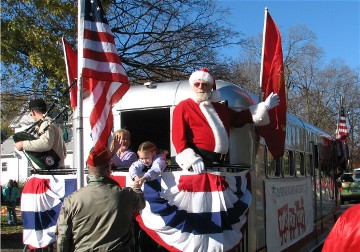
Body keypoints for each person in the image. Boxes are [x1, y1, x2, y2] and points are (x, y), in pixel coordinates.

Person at [172, 68, 280, 173]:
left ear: (210, 87)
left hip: (221, 165)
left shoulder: (220, 108)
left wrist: (264, 106)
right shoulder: (183, 107)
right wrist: (191, 159)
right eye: (197, 84)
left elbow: (241, 118)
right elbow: (178, 139)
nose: (200, 87)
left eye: (204, 84)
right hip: (198, 164)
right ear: (192, 86)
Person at [56, 147, 146, 252]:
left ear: (88, 169)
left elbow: (63, 238)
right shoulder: (126, 195)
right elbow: (140, 204)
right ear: (108, 168)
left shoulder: (71, 200)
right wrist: (137, 188)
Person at [14, 98, 67, 169]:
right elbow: (64, 152)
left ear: (32, 112)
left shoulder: (46, 124)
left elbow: (45, 144)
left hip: (50, 172)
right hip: (57, 169)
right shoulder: (55, 124)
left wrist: (22, 145)